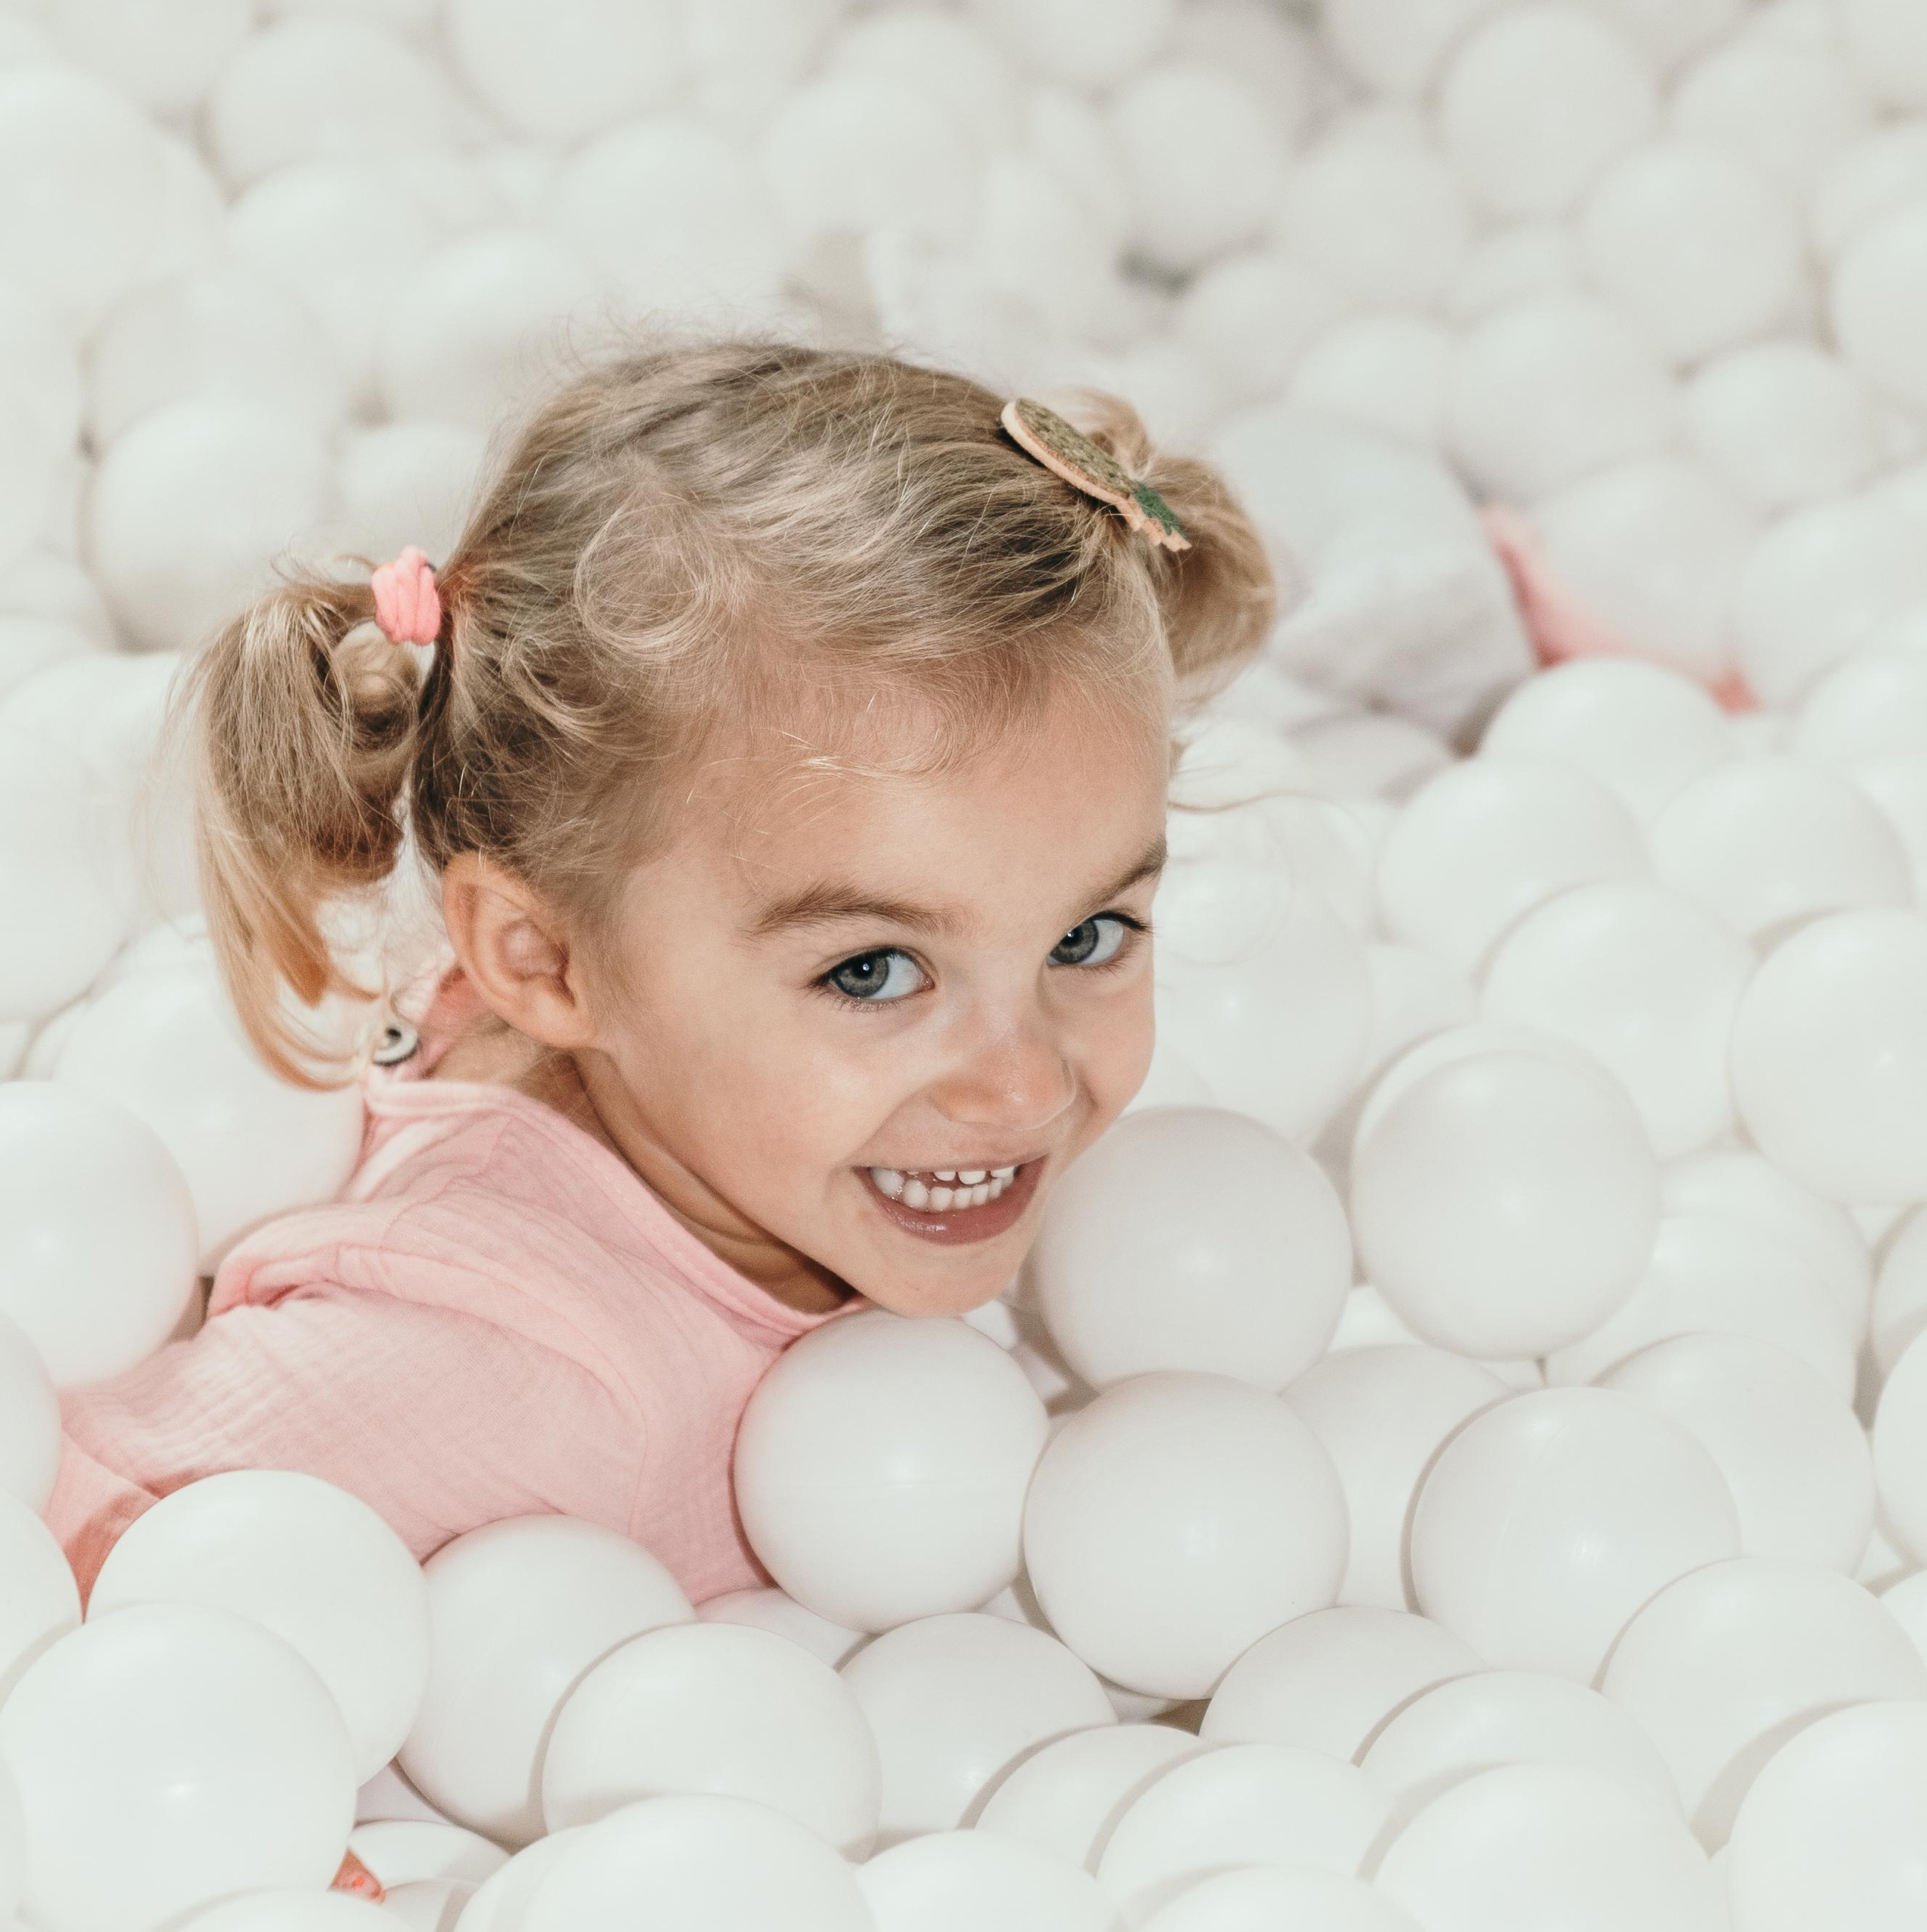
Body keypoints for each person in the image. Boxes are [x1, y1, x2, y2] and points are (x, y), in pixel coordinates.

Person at [48, 340, 1273, 1599]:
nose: (1025, 1087)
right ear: (542, 961)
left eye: (1087, 938)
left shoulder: (744, 1090)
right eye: (872, 972)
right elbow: (85, 1558)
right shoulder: (504, 1369)